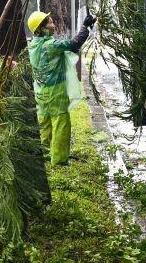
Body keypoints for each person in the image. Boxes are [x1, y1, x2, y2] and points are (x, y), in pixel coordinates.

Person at [27, 11, 96, 165]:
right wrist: (85, 27)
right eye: (50, 23)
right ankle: (58, 159)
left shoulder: (32, 45)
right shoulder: (51, 45)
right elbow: (74, 44)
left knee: (44, 124)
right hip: (55, 93)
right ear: (41, 29)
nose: (53, 25)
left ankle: (43, 155)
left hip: (40, 93)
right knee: (61, 124)